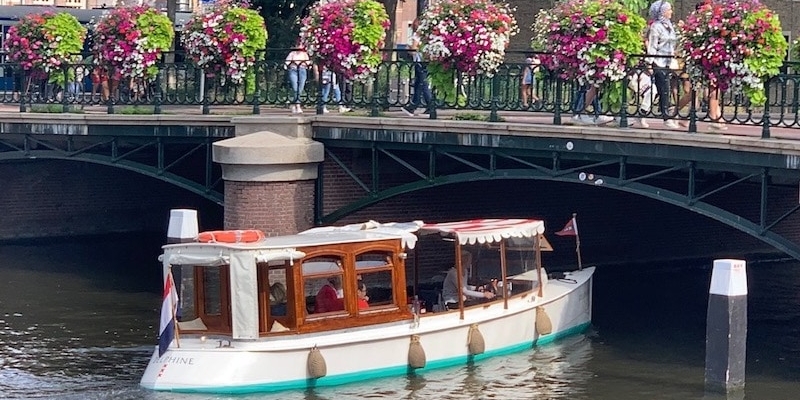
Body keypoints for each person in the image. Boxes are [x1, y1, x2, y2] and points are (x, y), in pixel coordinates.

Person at [646, 0, 680, 129]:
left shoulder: (669, 25)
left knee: (665, 89)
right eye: (668, 10)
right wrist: (650, 63)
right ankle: (666, 117)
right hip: (658, 62)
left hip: (668, 62)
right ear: (662, 12)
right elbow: (653, 45)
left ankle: (649, 113)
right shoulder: (656, 26)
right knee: (664, 89)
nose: (671, 12)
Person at [402, 18, 433, 117]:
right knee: (418, 84)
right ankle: (413, 106)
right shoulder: (427, 36)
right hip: (425, 62)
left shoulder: (417, 36)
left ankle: (430, 107)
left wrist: (408, 49)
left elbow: (414, 49)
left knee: (423, 84)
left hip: (419, 62)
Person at [285, 40, 311, 114]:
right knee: (295, 87)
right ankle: (298, 105)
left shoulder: (304, 54)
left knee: (300, 88)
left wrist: (307, 65)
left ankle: (294, 104)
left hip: (302, 70)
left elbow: (308, 62)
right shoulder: (292, 53)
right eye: (298, 45)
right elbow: (287, 62)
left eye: (300, 45)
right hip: (293, 70)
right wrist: (288, 65)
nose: (299, 46)